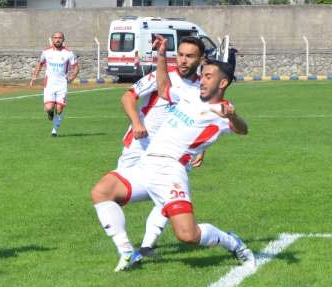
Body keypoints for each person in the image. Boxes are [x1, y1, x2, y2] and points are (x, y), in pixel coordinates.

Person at [91, 35, 254, 272]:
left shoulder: (221, 111)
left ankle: (232, 242)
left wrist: (232, 116)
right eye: (204, 75)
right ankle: (127, 252)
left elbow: (243, 130)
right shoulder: (188, 96)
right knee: (101, 191)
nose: (203, 80)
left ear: (222, 83)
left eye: (209, 77)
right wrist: (160, 55)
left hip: (170, 172)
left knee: (188, 235)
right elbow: (164, 86)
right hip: (146, 165)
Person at [104, 36, 206, 258]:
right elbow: (127, 97)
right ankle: (124, 245)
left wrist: (201, 149)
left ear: (201, 59)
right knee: (113, 195)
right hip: (140, 145)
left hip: (173, 153)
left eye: (189, 56)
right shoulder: (162, 76)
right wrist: (136, 122)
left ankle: (146, 247)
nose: (183, 60)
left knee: (168, 197)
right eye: (180, 54)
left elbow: (202, 120)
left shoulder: (202, 88)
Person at [30, 32, 79, 137]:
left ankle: (54, 130)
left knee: (59, 109)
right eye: (55, 38)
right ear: (52, 39)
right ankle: (50, 114)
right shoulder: (46, 52)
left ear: (63, 39)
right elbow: (40, 63)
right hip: (49, 85)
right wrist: (35, 75)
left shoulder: (69, 53)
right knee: (49, 108)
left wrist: (72, 77)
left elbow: (75, 67)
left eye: (60, 38)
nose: (58, 40)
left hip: (62, 85)